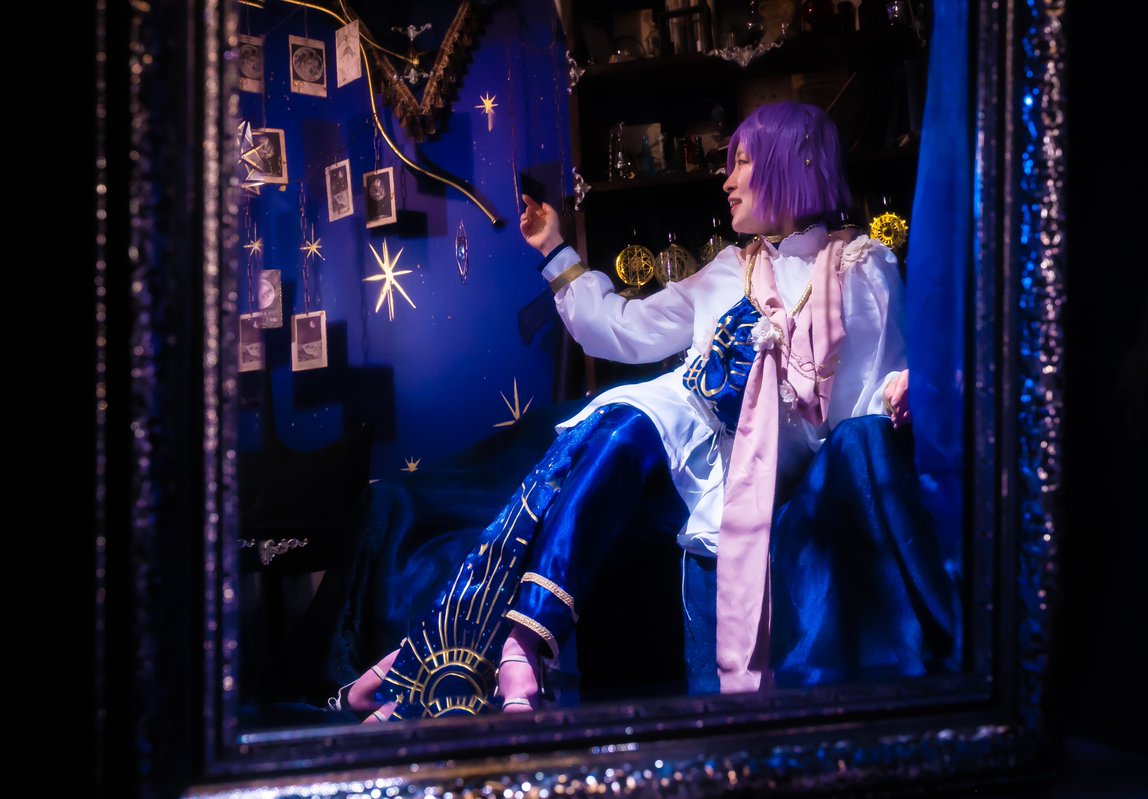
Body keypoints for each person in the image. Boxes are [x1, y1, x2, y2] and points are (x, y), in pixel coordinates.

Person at [330, 100, 948, 722]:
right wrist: (554, 250)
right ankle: (498, 650)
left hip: (738, 473)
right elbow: (624, 328)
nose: (726, 180)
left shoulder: (860, 266)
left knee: (611, 441)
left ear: (794, 163)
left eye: (742, 163)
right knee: (589, 446)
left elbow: (867, 399)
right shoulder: (731, 268)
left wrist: (904, 392)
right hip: (668, 435)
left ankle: (447, 659)